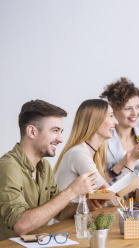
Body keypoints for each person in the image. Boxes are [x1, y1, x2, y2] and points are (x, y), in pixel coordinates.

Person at [0, 100, 99, 241]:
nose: (61, 139)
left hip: (42, 242)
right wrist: (72, 191)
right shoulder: (8, 167)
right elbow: (20, 225)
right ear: (32, 131)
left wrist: (86, 204)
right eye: (55, 131)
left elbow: (59, 212)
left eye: (61, 131)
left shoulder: (44, 166)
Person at [54, 99, 118, 207]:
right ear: (95, 120)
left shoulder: (91, 153)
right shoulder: (78, 154)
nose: (116, 122)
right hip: (65, 223)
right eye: (111, 116)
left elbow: (108, 195)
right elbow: (111, 199)